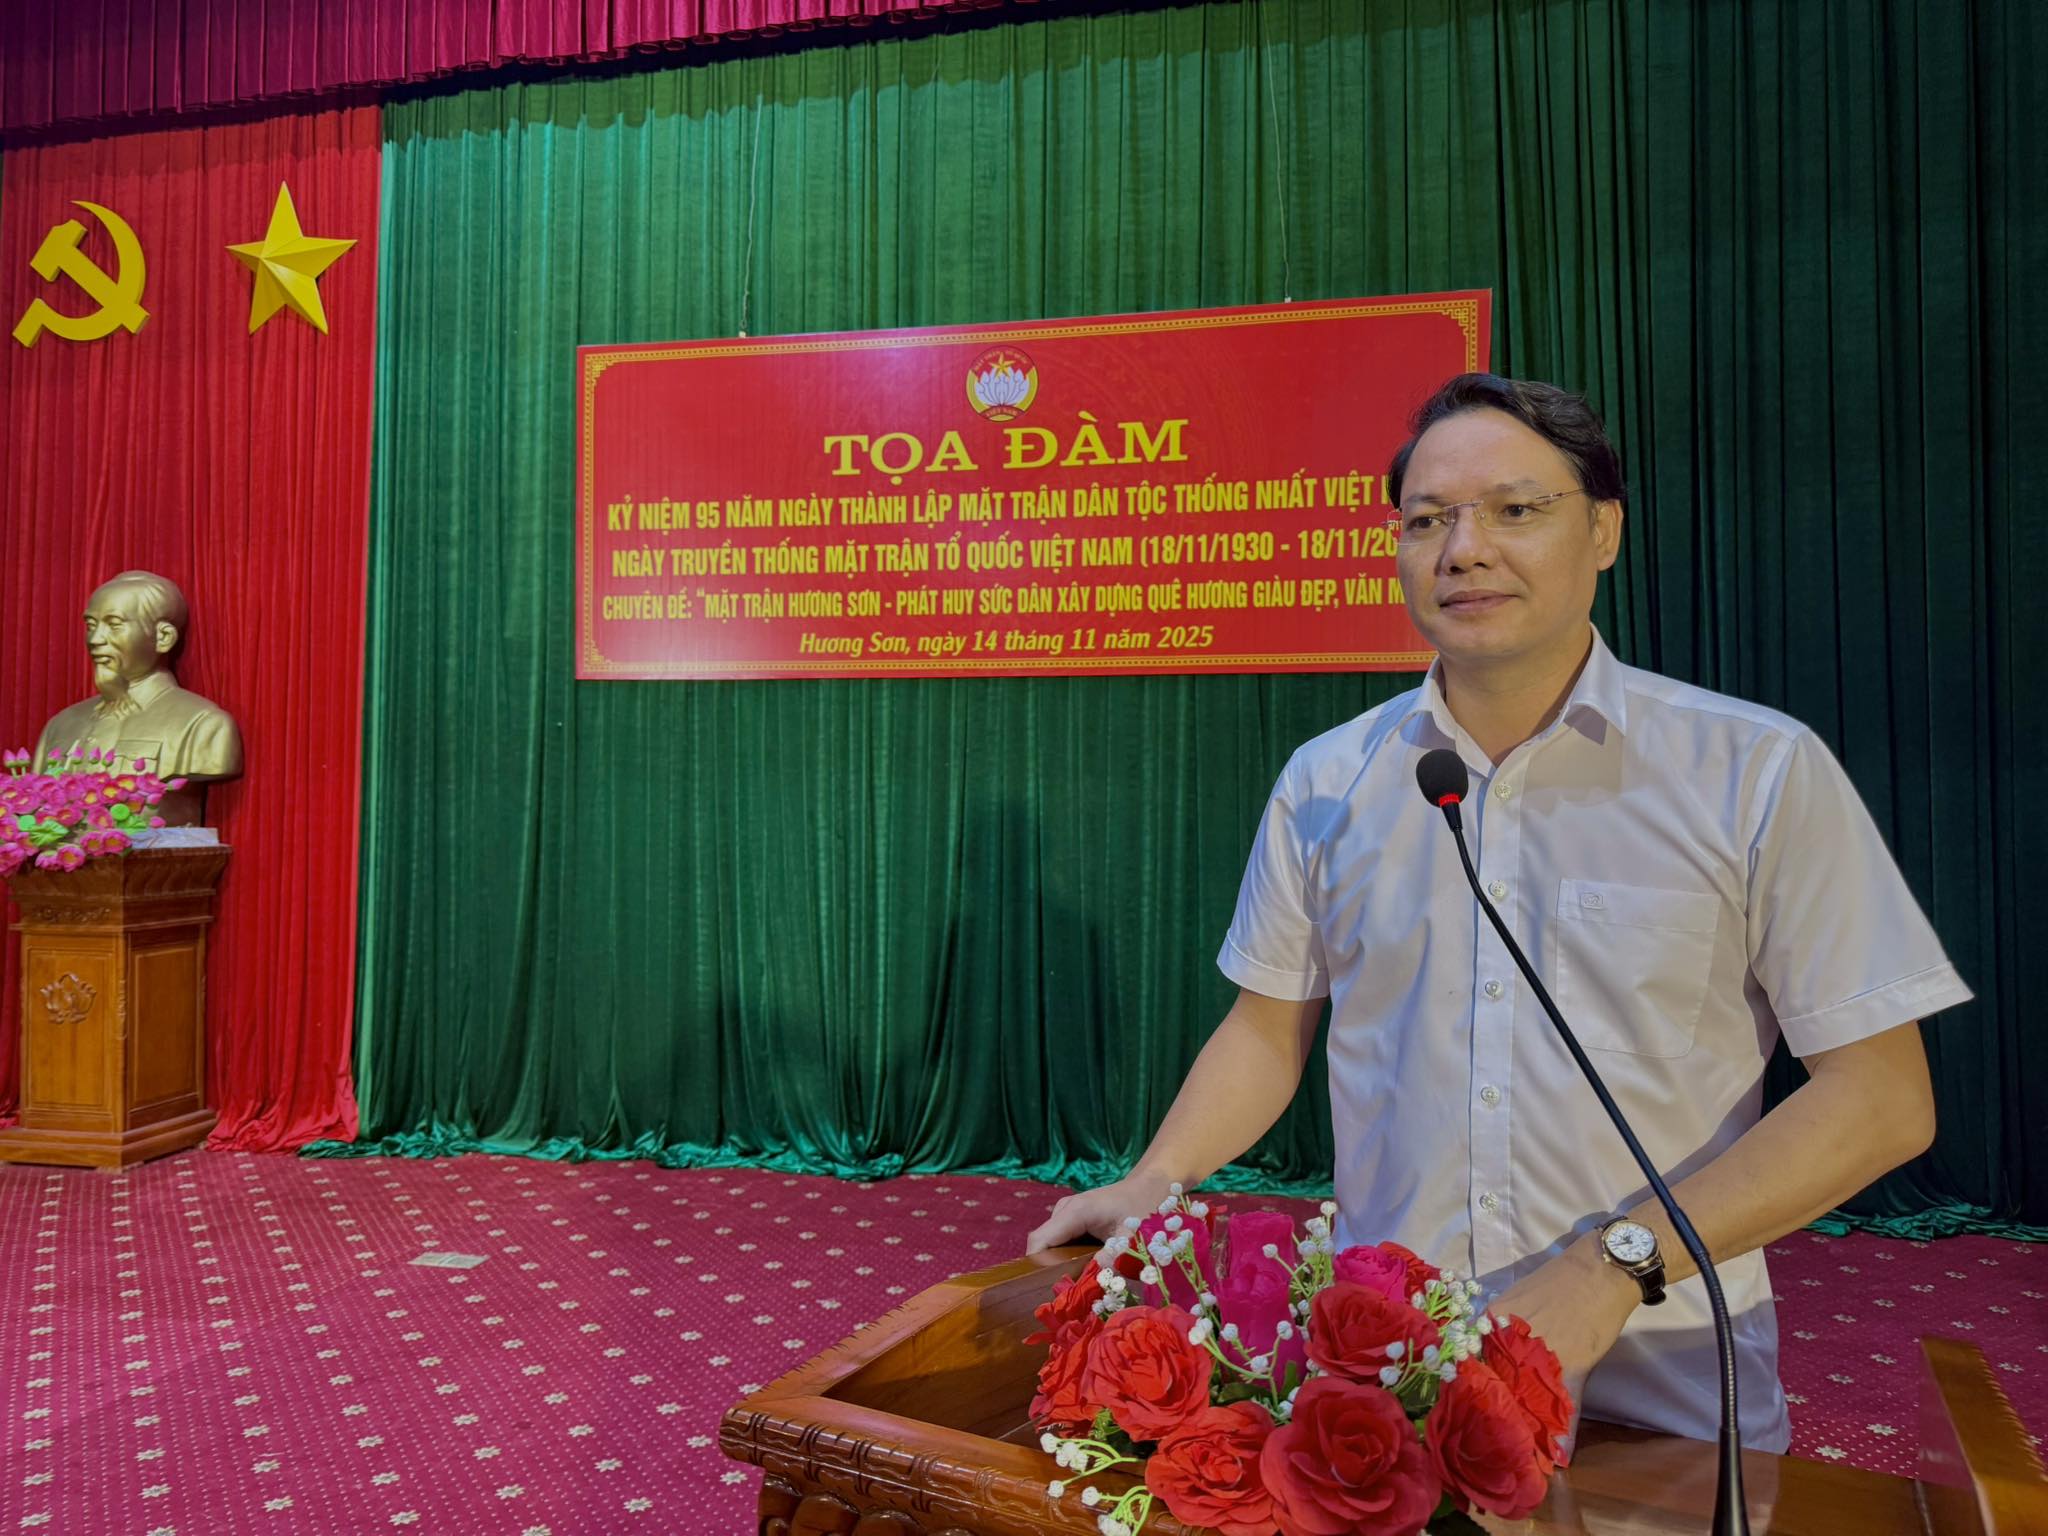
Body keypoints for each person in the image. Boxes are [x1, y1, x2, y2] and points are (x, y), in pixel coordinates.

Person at [1023, 374, 1972, 1451]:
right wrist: (1156, 1176)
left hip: (1656, 1379)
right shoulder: (1328, 780)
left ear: (1603, 531)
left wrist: (1610, 1267)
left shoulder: (1752, 770)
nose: (1463, 550)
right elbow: (1266, 1028)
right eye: (1427, 520)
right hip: (1386, 1370)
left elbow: (1879, 1100)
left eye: (1514, 510)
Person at [35, 570, 243, 825]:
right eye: (91, 625)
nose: (95, 639)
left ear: (163, 637)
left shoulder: (202, 724)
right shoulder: (60, 726)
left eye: (114, 625)